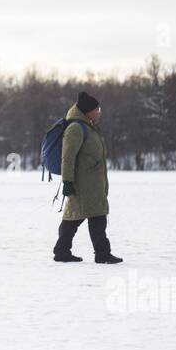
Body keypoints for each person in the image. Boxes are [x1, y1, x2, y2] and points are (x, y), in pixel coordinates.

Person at [54, 91, 123, 264]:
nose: (99, 112)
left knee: (84, 217)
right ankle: (100, 254)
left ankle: (65, 251)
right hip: (82, 184)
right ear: (87, 111)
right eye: (97, 109)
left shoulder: (89, 128)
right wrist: (67, 181)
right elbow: (67, 157)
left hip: (93, 184)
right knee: (80, 218)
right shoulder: (76, 129)